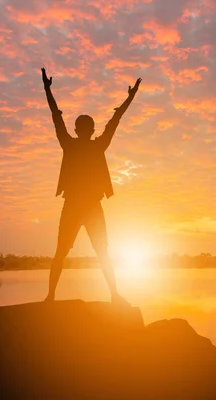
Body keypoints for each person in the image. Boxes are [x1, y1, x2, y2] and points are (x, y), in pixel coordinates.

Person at [41, 67, 141, 305]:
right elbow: (116, 120)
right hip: (89, 206)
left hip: (77, 205)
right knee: (100, 253)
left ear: (77, 130)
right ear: (91, 130)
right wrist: (130, 97)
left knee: (62, 254)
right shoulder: (97, 145)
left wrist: (47, 89)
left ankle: (51, 297)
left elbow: (56, 117)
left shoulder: (70, 144)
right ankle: (113, 295)